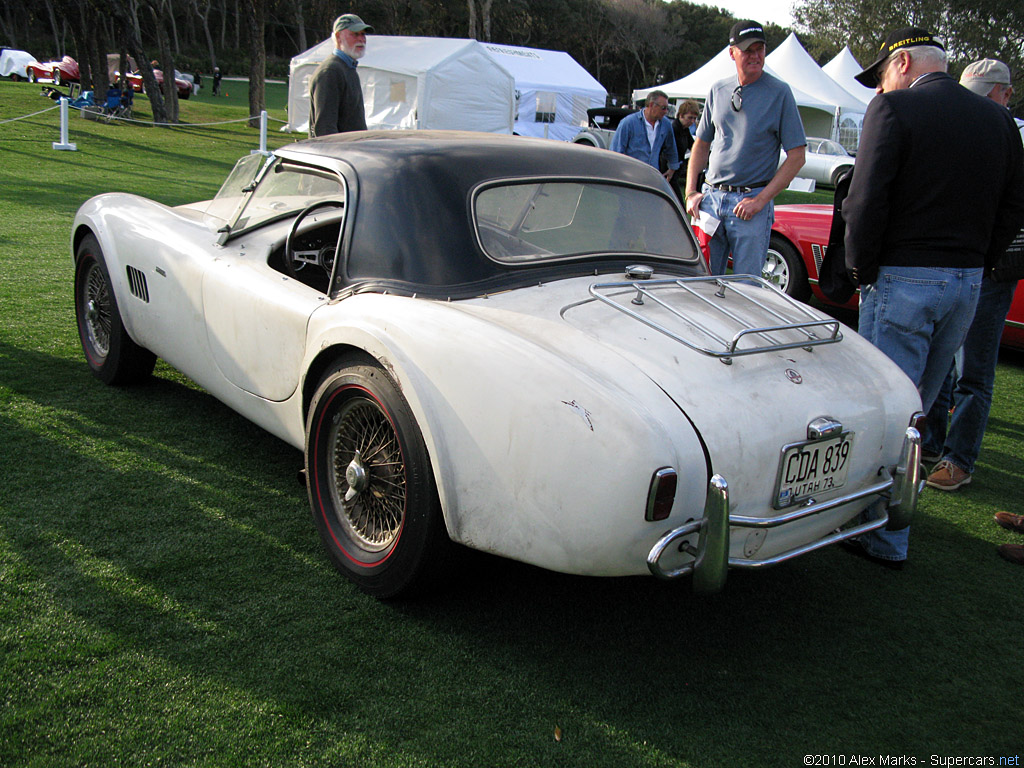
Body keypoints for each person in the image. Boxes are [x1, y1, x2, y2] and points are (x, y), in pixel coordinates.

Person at [839, 28, 1024, 569]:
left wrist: (861, 270)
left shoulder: (895, 110)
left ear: (901, 63)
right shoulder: (997, 121)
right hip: (967, 281)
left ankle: (883, 533)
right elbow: (1014, 208)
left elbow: (865, 198)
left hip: (904, 277)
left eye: (880, 76)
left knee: (891, 410)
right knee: (919, 408)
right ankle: (886, 526)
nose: (878, 88)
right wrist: (981, 262)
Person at [923, 58, 1024, 492]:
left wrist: (990, 256)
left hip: (993, 267)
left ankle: (959, 459)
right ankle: (933, 445)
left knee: (973, 369)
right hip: (962, 260)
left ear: (1004, 94)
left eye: (984, 95)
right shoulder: (980, 126)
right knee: (943, 360)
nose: (977, 103)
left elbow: (1012, 208)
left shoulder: (1013, 134)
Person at [684, 20, 806, 278]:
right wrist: (691, 192)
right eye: (748, 49)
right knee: (700, 283)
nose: (755, 55)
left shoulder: (780, 93)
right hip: (711, 201)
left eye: (760, 49)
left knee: (746, 290)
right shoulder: (718, 90)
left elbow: (797, 156)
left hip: (751, 204)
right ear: (732, 53)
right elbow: (702, 143)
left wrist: (761, 201)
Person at [308, 13, 372, 138]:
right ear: (338, 37)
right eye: (355, 34)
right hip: (336, 154)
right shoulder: (330, 71)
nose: (361, 39)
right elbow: (325, 128)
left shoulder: (348, 68)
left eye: (363, 34)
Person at [609, 90, 679, 182]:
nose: (666, 111)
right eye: (663, 108)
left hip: (652, 177)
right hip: (630, 177)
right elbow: (616, 152)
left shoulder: (666, 124)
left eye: (667, 108)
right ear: (651, 105)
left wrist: (672, 168)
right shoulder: (629, 123)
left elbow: (671, 148)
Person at [665, 99, 700, 203]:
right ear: (680, 115)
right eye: (690, 118)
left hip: (676, 171)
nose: (692, 121)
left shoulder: (685, 130)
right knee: (678, 203)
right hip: (667, 171)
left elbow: (693, 146)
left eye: (694, 118)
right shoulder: (673, 129)